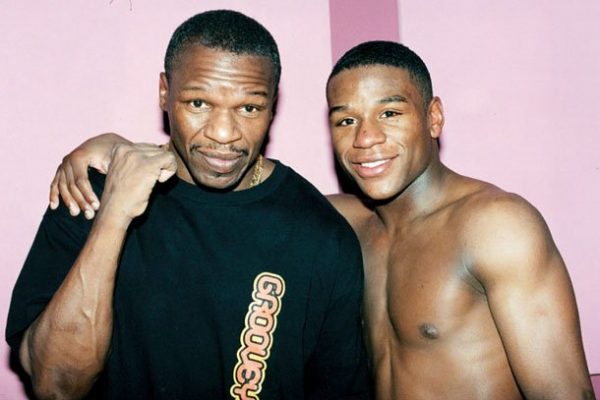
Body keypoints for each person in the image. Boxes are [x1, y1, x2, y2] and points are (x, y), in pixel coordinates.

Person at [46, 40, 597, 399]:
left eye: (389, 113)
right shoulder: (339, 224)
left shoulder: (496, 226)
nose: (366, 138)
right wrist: (113, 148)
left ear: (433, 117)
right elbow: (234, 177)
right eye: (345, 119)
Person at [5, 10, 371, 400]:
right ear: (165, 92)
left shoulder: (321, 237)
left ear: (272, 105)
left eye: (248, 108)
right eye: (198, 103)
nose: (224, 134)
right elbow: (56, 386)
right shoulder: (89, 191)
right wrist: (114, 214)